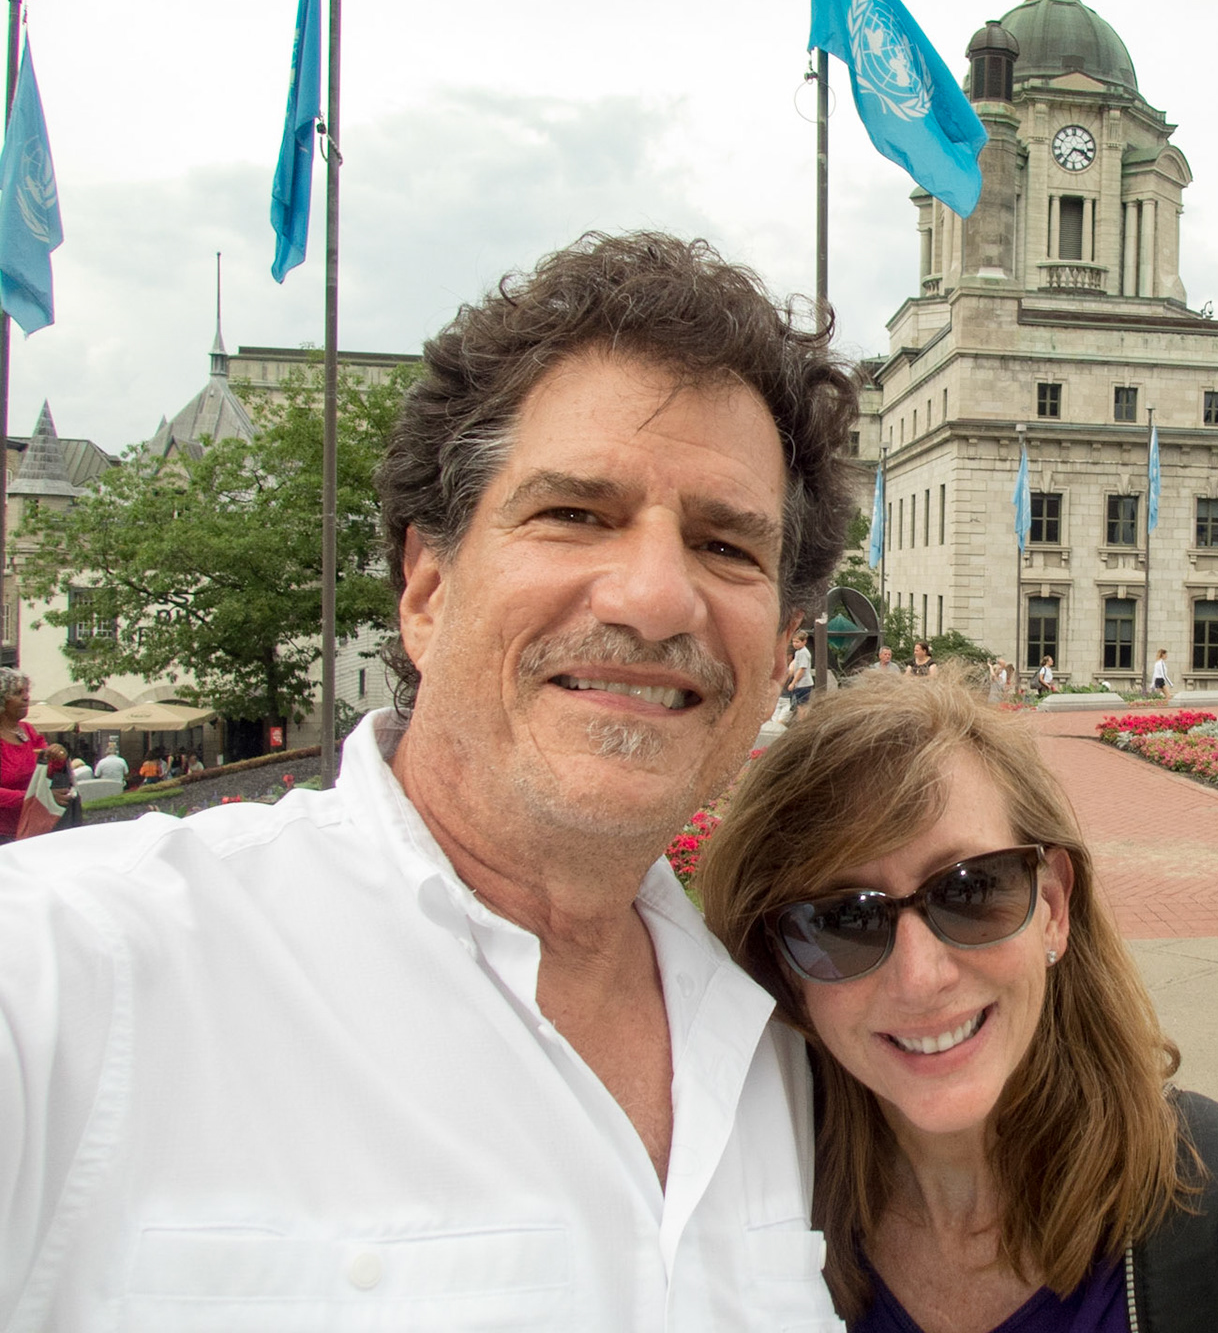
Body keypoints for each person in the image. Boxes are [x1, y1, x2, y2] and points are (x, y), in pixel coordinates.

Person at [0, 232, 858, 1327]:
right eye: (574, 515)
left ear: (783, 649)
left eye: (726, 546)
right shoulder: (84, 970)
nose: (652, 598)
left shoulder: (780, 1048)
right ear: (426, 590)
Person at [700, 677, 1218, 1333]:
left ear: (1054, 908)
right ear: (784, 965)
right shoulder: (742, 1230)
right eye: (843, 920)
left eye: (972, 890)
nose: (920, 978)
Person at [0, 669, 52, 843]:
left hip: (31, 827)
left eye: (26, 692)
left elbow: (47, 768)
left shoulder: (27, 730)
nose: (26, 698)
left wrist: (59, 758)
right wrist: (32, 798)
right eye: (17, 693)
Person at [785, 628, 816, 718]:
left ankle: (802, 720)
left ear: (804, 641)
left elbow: (802, 669)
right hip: (800, 684)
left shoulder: (803, 653)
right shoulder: (798, 652)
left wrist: (793, 683)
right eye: (793, 642)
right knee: (798, 705)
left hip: (803, 683)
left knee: (802, 705)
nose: (795, 644)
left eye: (797, 642)